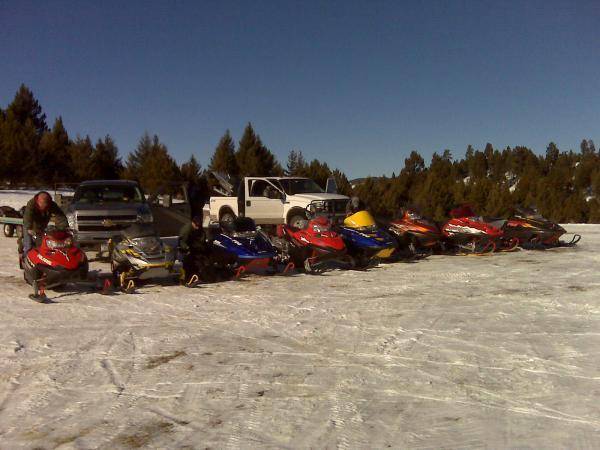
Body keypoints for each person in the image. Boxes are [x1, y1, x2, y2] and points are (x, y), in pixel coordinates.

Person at [21, 191, 68, 255]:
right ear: (37, 201)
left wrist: (64, 227)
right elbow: (27, 216)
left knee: (41, 244)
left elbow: (60, 216)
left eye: (45, 203)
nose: (43, 205)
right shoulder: (31, 203)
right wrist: (29, 227)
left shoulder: (52, 205)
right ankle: (25, 257)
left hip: (42, 225)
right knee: (28, 244)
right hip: (31, 225)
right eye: (41, 203)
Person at [178, 215, 213, 284]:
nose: (197, 227)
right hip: (187, 249)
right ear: (193, 223)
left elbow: (202, 237)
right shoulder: (186, 230)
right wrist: (187, 248)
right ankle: (187, 278)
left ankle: (205, 276)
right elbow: (182, 242)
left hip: (197, 248)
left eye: (198, 225)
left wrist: (205, 245)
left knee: (206, 259)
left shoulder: (199, 228)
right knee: (190, 262)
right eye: (196, 225)